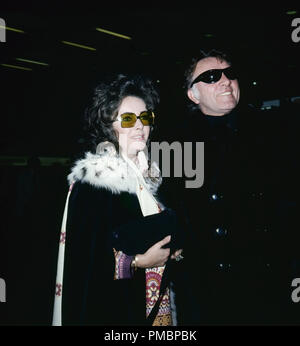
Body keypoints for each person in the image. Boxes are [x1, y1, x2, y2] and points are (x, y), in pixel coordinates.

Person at [177, 49, 298, 324]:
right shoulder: (177, 145)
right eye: (210, 77)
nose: (225, 81)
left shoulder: (274, 134)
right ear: (192, 94)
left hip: (267, 286)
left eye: (230, 74)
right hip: (205, 292)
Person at [52, 73, 184, 326]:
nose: (139, 125)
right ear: (108, 125)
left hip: (158, 308)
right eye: (127, 118)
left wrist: (174, 250)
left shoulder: (153, 179)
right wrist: (138, 262)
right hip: (116, 311)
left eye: (145, 117)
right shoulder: (95, 182)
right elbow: (82, 264)